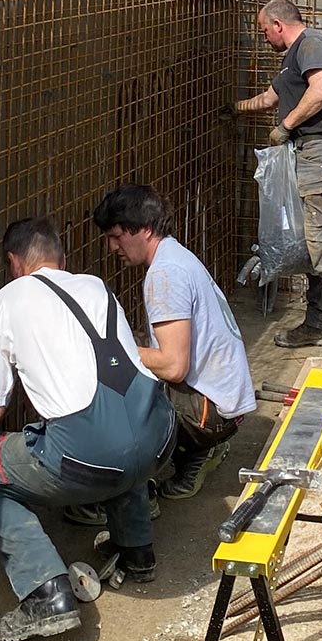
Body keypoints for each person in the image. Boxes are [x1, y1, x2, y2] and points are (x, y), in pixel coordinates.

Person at [0, 216, 175, 641]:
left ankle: (45, 592)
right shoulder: (96, 287)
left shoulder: (6, 301)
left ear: (14, 263)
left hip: (90, 455)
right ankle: (136, 552)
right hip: (157, 435)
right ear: (62, 258)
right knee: (117, 434)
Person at [89, 184, 256, 503]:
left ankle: (132, 493)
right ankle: (197, 452)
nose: (112, 247)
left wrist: (112, 355)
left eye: (117, 236)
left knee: (113, 376)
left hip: (212, 413)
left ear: (145, 230)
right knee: (129, 346)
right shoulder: (175, 254)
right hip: (224, 403)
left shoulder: (164, 276)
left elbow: (174, 366)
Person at [235, 0, 322, 371]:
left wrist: (286, 126)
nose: (264, 38)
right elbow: (272, 98)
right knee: (308, 243)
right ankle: (317, 323)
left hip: (319, 152)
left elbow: (320, 90)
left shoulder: (313, 45)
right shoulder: (293, 56)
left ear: (277, 24)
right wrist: (234, 108)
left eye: (264, 31)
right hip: (305, 153)